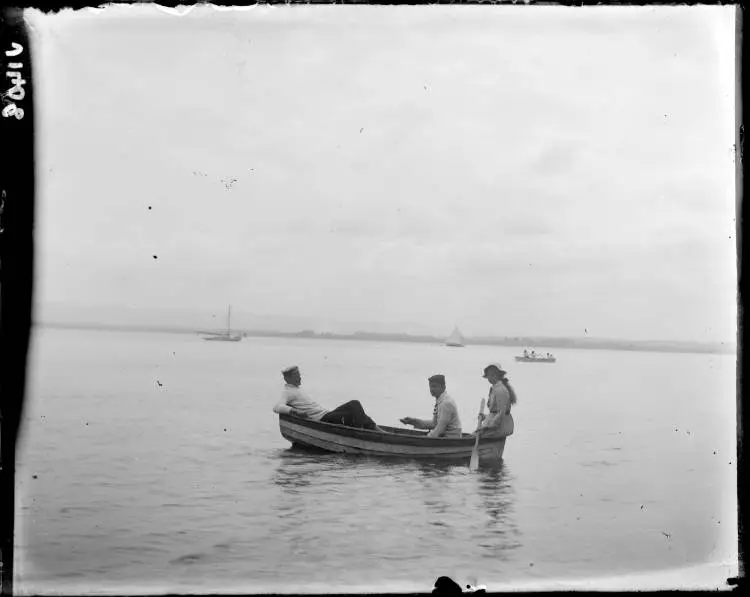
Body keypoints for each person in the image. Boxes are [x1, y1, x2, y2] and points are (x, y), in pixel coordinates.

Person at [272, 366, 384, 431]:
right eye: (297, 375)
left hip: (326, 414)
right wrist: (295, 411)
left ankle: (377, 431)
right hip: (321, 419)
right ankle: (361, 433)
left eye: (299, 374)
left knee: (357, 410)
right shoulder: (288, 392)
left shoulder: (297, 389)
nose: (300, 377)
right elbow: (277, 407)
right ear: (289, 378)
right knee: (355, 405)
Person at [477, 362, 516, 437]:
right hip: (494, 424)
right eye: (489, 374)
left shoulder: (500, 390)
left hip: (499, 427)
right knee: (473, 435)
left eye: (493, 374)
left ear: (498, 375)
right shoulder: (495, 388)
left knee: (475, 436)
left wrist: (489, 427)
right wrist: (485, 417)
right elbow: (495, 412)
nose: (491, 376)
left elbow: (501, 412)